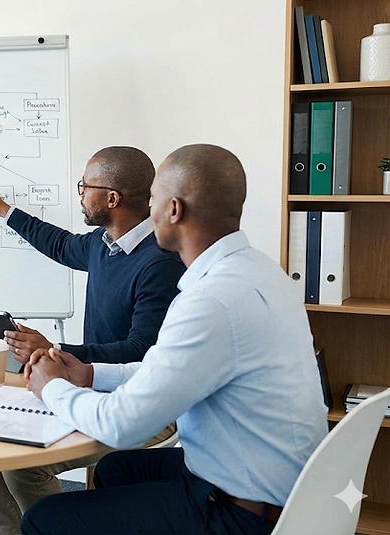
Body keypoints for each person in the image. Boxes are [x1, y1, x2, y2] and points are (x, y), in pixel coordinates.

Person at [21, 144, 329, 535]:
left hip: (245, 512)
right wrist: (90, 374)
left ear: (173, 209)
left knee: (42, 520)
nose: (147, 211)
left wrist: (52, 388)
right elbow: (171, 370)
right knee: (118, 469)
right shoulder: (262, 272)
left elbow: (122, 427)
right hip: (284, 484)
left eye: (153, 199)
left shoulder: (209, 301)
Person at [0, 146, 185, 534]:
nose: (80, 192)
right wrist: (3, 210)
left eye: (85, 186)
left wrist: (56, 352)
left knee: (25, 469)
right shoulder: (103, 243)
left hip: (142, 402)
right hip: (85, 385)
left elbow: (143, 352)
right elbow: (59, 243)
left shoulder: (159, 262)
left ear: (112, 198)